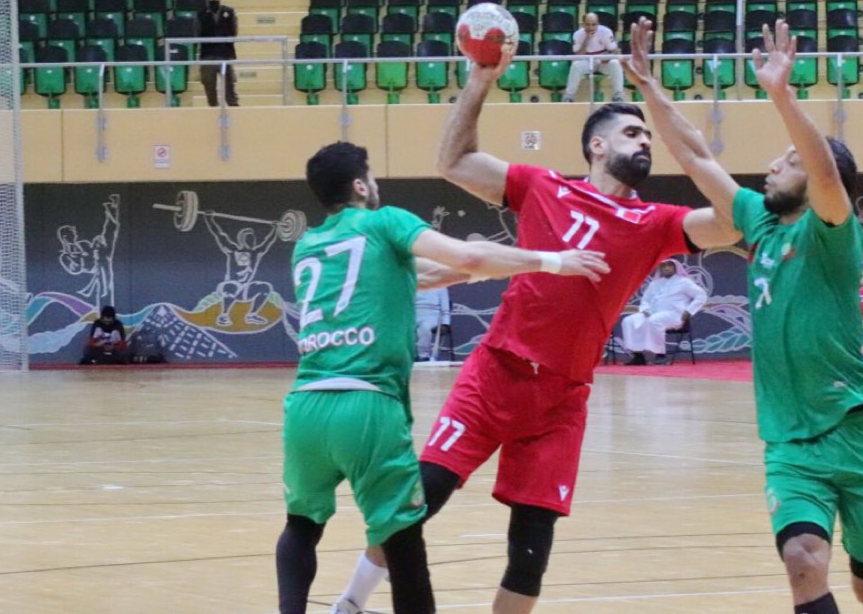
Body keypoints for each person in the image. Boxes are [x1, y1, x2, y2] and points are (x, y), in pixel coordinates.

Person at [334, 44, 738, 614]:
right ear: (597, 146)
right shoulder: (544, 186)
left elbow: (731, 221)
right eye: (632, 133)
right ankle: (351, 603)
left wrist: (662, 109)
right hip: (496, 373)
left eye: (648, 137)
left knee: (530, 552)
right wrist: (479, 81)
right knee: (418, 501)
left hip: (562, 399)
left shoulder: (657, 222)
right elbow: (454, 161)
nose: (645, 142)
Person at [624, 17, 863, 614]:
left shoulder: (832, 230)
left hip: (860, 432)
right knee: (803, 559)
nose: (773, 166)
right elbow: (696, 156)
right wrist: (650, 88)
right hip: (791, 441)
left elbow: (824, 171)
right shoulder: (759, 220)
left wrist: (782, 95)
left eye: (789, 161)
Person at [278, 142, 610, 614]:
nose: (375, 183)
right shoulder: (384, 221)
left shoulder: (308, 246)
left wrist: (479, 274)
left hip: (305, 407)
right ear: (359, 186)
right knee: (403, 539)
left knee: (300, 526)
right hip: (366, 402)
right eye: (370, 176)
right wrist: (553, 261)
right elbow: (467, 256)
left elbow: (422, 275)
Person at [620, 258, 708, 365]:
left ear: (675, 268)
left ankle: (661, 355)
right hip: (652, 313)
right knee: (628, 321)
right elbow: (645, 300)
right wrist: (645, 309)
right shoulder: (655, 283)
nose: (666, 268)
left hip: (675, 315)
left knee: (654, 320)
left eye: (669, 265)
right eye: (664, 266)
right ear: (660, 269)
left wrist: (689, 311)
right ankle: (638, 356)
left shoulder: (684, 282)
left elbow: (701, 296)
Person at [562, 12, 625, 103]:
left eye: (593, 24)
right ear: (583, 24)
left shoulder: (606, 32)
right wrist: (587, 39)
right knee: (576, 66)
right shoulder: (577, 34)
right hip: (586, 61)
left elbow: (615, 50)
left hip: (603, 61)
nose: (591, 28)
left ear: (598, 23)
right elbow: (578, 54)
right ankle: (569, 96)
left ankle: (618, 94)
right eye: (588, 24)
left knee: (615, 63)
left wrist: (608, 57)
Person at [197, 0, 239, 107]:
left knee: (229, 84)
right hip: (208, 54)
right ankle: (212, 108)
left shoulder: (229, 11)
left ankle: (234, 107)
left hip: (225, 53)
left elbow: (234, 31)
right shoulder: (201, 14)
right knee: (209, 84)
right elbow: (197, 33)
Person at [415, 286, 451, 362]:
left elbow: (445, 306)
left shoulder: (441, 285)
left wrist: (445, 323)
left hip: (432, 314)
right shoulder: (412, 282)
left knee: (425, 329)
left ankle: (423, 356)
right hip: (412, 313)